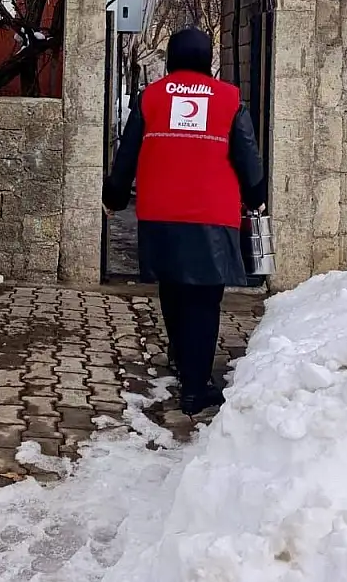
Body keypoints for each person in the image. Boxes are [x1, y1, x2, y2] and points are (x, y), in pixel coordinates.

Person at [103, 27, 266, 416]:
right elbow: (247, 156)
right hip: (211, 215)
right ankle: (195, 389)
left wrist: (114, 196)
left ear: (173, 58)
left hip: (159, 213)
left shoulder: (151, 98)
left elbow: (127, 153)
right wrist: (257, 196)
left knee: (173, 288)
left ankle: (181, 358)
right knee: (204, 298)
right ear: (207, 58)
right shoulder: (228, 99)